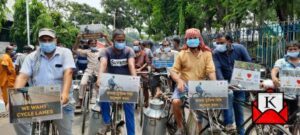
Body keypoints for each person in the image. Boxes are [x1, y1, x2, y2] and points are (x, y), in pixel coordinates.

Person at [13, 28, 75, 135]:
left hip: (61, 99)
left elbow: (68, 72)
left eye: (49, 39)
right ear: (38, 41)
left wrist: (65, 94)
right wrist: (14, 96)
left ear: (55, 40)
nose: (47, 42)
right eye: (43, 40)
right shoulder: (31, 57)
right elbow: (22, 77)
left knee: (66, 132)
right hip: (38, 97)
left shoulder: (65, 53)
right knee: (17, 116)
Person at [170, 28, 216, 135]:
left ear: (199, 39)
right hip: (184, 85)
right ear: (186, 40)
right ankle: (180, 127)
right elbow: (173, 71)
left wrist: (215, 85)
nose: (192, 40)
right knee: (175, 102)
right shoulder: (182, 54)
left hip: (200, 86)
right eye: (190, 38)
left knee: (200, 116)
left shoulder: (207, 54)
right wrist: (179, 81)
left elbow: (211, 71)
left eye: (195, 38)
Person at [97, 29, 136, 135]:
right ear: (113, 40)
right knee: (102, 97)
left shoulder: (129, 51)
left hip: (126, 83)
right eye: (118, 40)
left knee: (129, 111)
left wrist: (134, 79)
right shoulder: (105, 51)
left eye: (123, 40)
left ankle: (131, 133)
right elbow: (103, 63)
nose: (121, 42)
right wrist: (99, 77)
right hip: (111, 82)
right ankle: (107, 122)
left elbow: (131, 65)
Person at [213, 34, 251, 135]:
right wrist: (223, 83)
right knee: (227, 97)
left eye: (222, 43)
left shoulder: (240, 48)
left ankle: (241, 132)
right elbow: (218, 68)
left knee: (239, 109)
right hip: (225, 82)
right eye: (217, 43)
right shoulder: (216, 53)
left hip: (239, 82)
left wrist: (245, 79)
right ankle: (229, 125)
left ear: (229, 41)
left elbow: (248, 63)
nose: (219, 45)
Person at [271, 41, 300, 132]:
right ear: (287, 50)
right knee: (281, 121)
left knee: (294, 122)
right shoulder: (281, 61)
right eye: (290, 49)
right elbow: (275, 70)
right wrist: (274, 77)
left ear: (299, 50)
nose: (292, 51)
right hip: (283, 95)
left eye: (295, 49)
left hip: (297, 97)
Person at [73, 37, 103, 108]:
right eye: (92, 44)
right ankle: (80, 101)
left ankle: (100, 104)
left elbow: (111, 45)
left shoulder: (101, 50)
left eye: (95, 43)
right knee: (83, 83)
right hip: (89, 71)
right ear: (89, 44)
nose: (94, 45)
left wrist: (105, 37)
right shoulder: (86, 51)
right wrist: (77, 40)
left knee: (99, 87)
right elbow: (74, 49)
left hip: (99, 72)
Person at [133, 43, 151, 107]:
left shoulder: (144, 53)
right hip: (134, 71)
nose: (136, 54)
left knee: (145, 86)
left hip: (143, 70)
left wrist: (140, 68)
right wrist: (134, 69)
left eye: (137, 52)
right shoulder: (131, 54)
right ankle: (133, 100)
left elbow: (147, 62)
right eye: (135, 52)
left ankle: (146, 101)